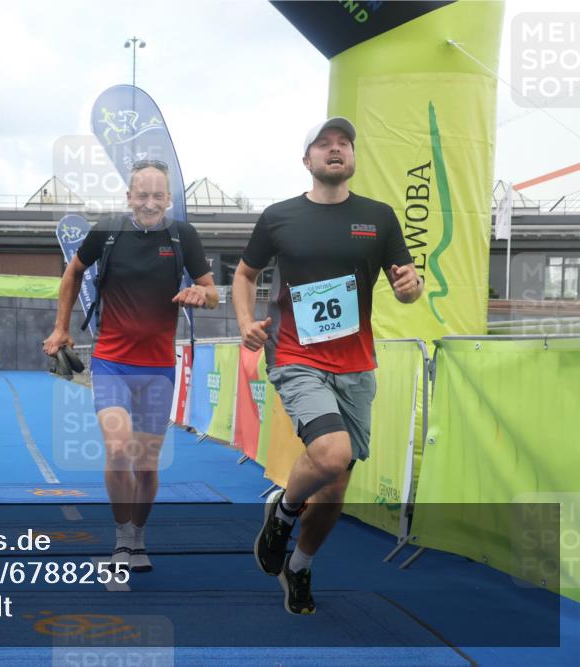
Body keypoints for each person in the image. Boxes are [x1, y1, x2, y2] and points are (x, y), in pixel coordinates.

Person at [231, 117, 423, 615]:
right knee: (333, 453)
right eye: (324, 145)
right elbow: (244, 275)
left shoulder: (378, 218)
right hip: (296, 355)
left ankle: (299, 565)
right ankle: (283, 512)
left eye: (344, 144)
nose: (335, 150)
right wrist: (246, 321)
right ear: (308, 160)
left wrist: (411, 287)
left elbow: (407, 282)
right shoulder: (279, 217)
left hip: (356, 365)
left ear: (353, 159)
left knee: (335, 485)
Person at [43, 159, 218, 573]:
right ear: (129, 197)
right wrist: (61, 327)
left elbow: (213, 294)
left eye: (159, 195)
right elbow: (72, 275)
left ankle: (139, 535)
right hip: (112, 362)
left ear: (169, 199)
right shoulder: (107, 230)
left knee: (146, 463)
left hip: (158, 367)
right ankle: (123, 536)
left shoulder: (182, 236)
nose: (151, 202)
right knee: (118, 448)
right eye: (143, 194)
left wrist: (199, 293)